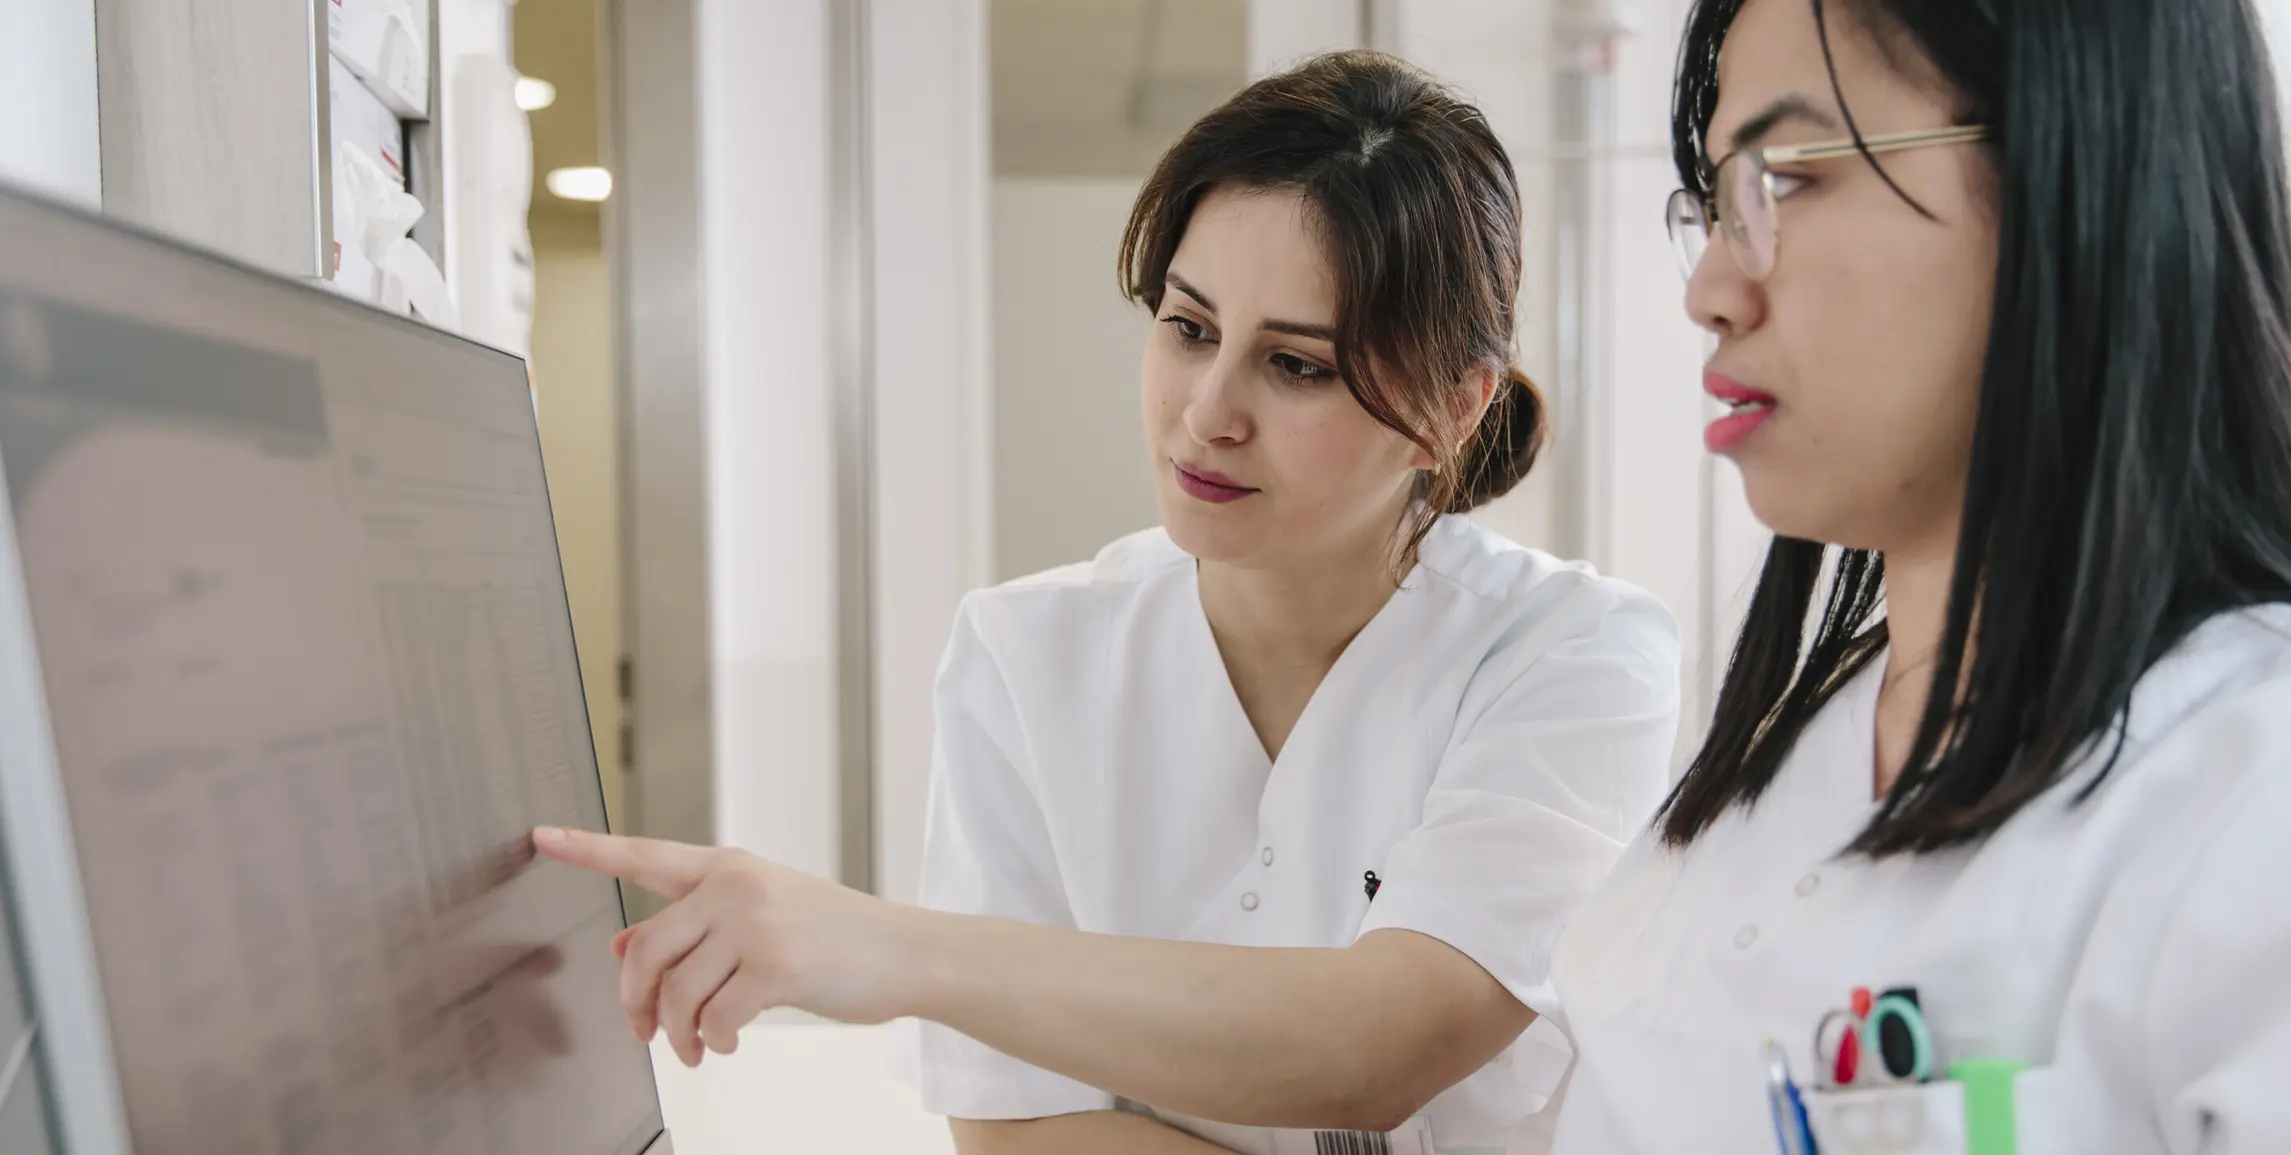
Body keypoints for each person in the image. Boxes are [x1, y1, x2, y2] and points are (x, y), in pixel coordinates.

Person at [536, 51, 1682, 1154]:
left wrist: (886, 948)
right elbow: (1016, 1126)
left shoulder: (1574, 656)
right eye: (1188, 330)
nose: (1206, 414)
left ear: (1452, 407)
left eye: (1297, 365)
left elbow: (1390, 1040)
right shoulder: (1026, 655)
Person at [1539, 0, 2291, 1149]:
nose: (1710, 289)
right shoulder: (1751, 798)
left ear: (2074, 175)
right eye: (1717, 199)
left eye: (1787, 177)